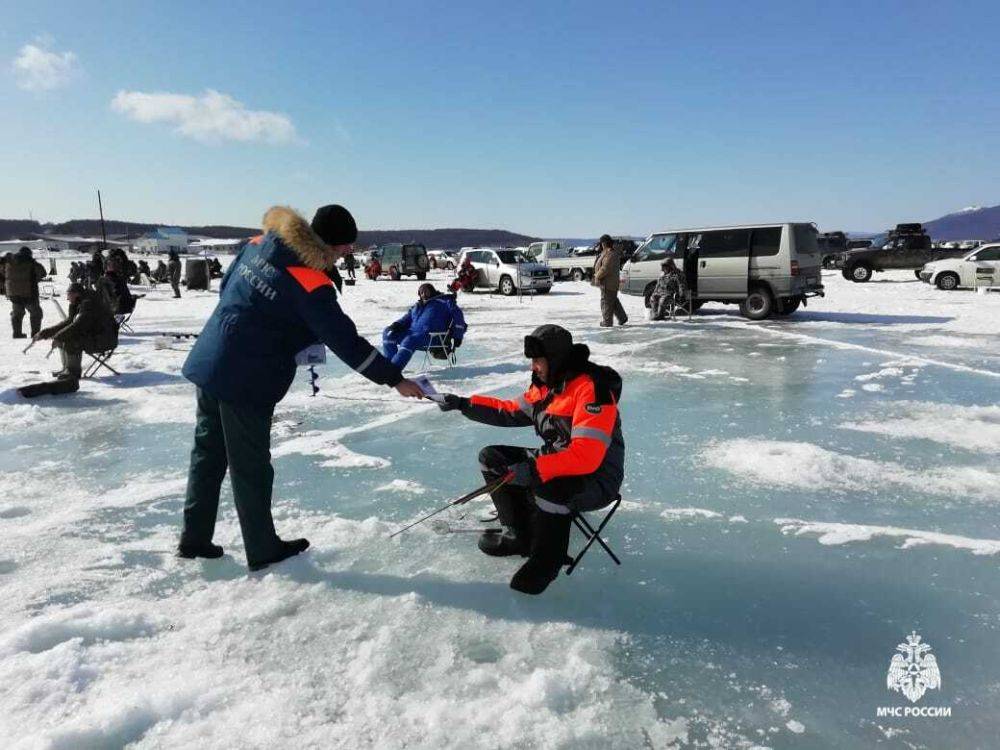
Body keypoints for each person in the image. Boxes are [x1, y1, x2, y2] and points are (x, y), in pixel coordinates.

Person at [179, 204, 425, 571]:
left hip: (212, 358)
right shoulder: (309, 281)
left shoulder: (262, 241)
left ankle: (194, 539)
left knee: (208, 454)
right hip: (247, 378)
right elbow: (345, 340)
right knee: (251, 467)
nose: (348, 253)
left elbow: (229, 285)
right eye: (345, 247)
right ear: (329, 243)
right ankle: (262, 549)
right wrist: (395, 379)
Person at [437, 324, 624, 595]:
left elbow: (586, 457)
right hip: (559, 461)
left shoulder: (592, 389)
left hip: (596, 478)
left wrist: (535, 468)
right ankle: (518, 535)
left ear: (556, 359)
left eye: (538, 361)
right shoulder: (547, 386)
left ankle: (547, 560)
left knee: (550, 484)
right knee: (492, 458)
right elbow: (509, 411)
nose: (533, 367)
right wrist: (463, 404)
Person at [34, 282, 118, 380]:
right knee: (64, 337)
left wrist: (58, 337)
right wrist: (44, 333)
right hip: (96, 334)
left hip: (105, 339)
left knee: (71, 340)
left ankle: (73, 373)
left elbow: (78, 326)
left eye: (69, 295)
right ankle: (66, 368)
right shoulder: (79, 302)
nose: (67, 298)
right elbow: (69, 322)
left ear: (76, 294)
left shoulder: (88, 303)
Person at [381, 283, 467, 369]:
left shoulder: (444, 302)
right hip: (414, 335)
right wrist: (397, 324)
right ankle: (389, 366)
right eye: (421, 292)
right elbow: (406, 318)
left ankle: (394, 370)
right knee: (389, 333)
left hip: (433, 337)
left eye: (426, 291)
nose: (423, 294)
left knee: (410, 340)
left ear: (432, 291)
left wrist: (458, 336)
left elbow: (458, 317)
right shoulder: (417, 306)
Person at [5, 246, 47, 339]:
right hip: (29, 294)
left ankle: (17, 333)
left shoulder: (9, 262)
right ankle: (35, 334)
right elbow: (43, 272)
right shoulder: (31, 262)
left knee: (17, 313)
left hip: (13, 294)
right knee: (36, 313)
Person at [593, 234, 628, 327]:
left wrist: (597, 276)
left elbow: (605, 268)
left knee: (606, 302)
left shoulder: (610, 254)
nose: (600, 245)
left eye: (601, 243)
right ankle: (622, 317)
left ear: (604, 243)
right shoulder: (608, 252)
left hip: (608, 283)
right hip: (610, 282)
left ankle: (607, 321)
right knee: (613, 301)